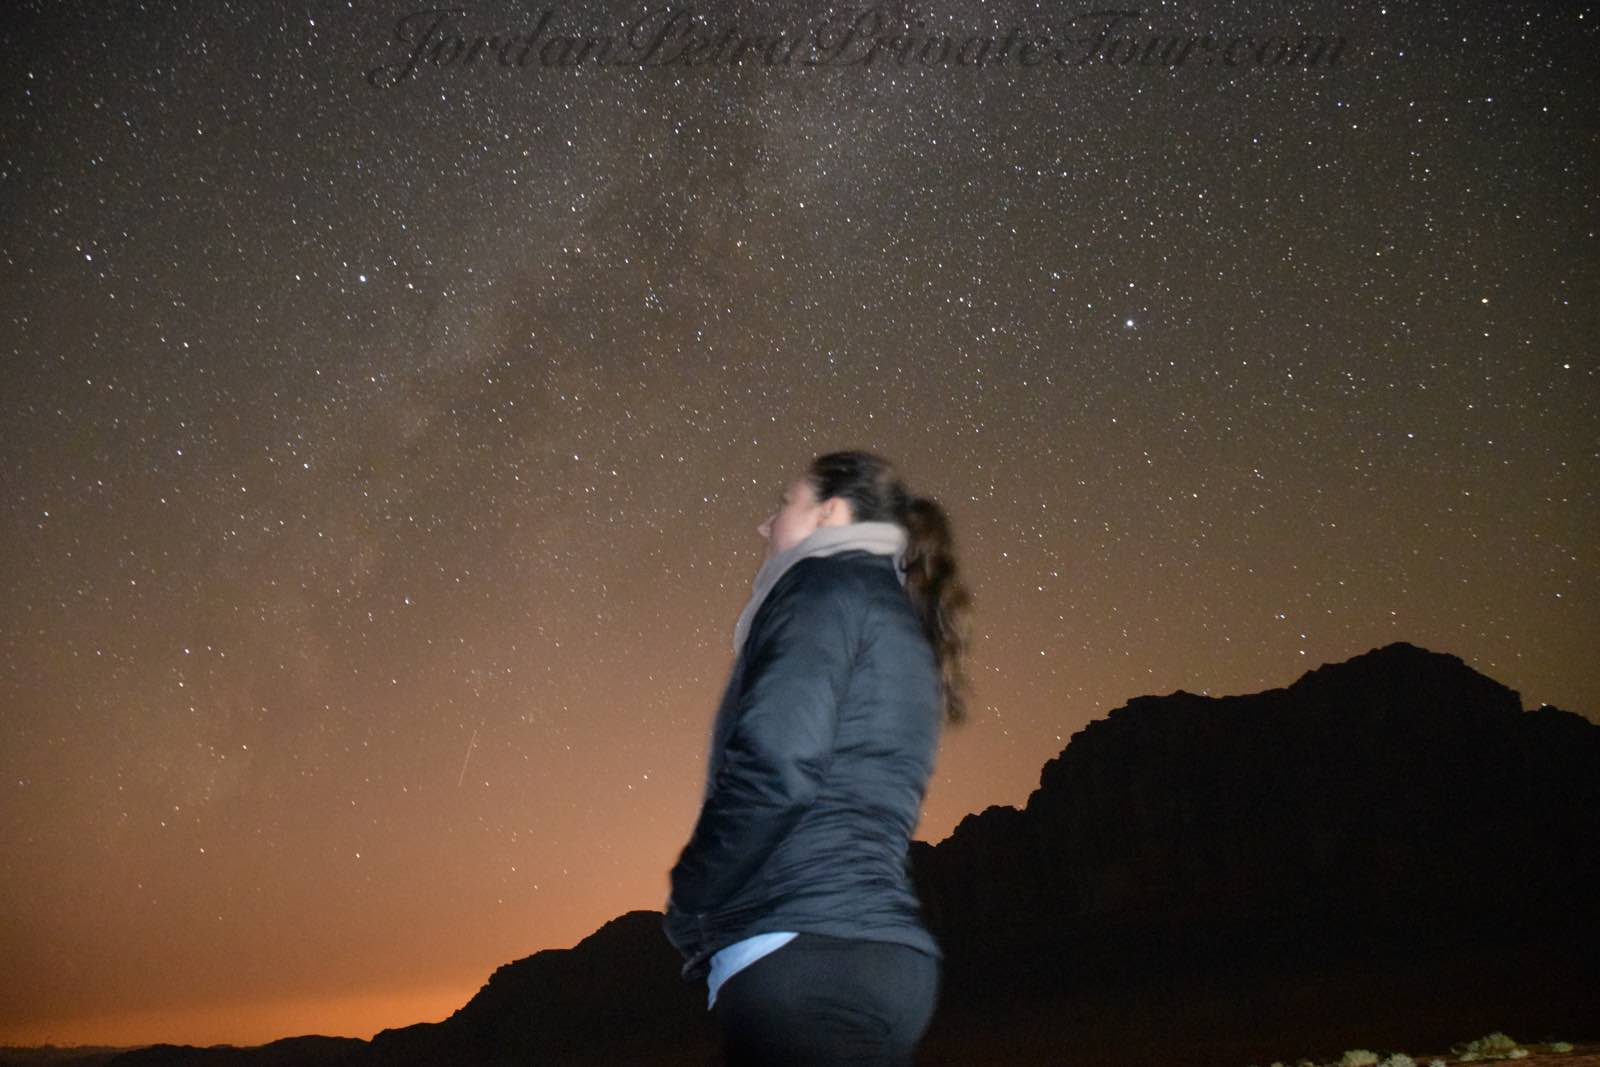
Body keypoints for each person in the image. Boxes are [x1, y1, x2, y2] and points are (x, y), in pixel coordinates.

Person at [663, 449, 974, 1066]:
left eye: (784, 504)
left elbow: (778, 768)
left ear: (829, 513)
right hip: (883, 962)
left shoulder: (819, 584)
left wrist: (690, 897)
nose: (765, 526)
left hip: (801, 957)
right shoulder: (898, 621)